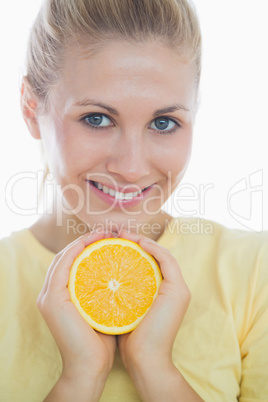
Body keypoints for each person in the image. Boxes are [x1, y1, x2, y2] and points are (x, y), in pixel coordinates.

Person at [0, 0, 267, 400]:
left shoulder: (255, 272)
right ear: (29, 107)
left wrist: (154, 368)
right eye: (97, 118)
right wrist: (81, 377)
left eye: (164, 123)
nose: (131, 166)